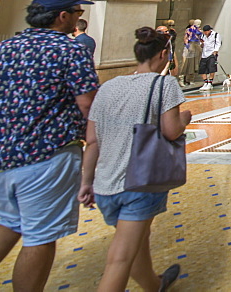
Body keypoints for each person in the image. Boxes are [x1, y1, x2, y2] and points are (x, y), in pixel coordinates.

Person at [0, 0, 99, 291]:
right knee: (40, 237)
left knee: (8, 222)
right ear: (63, 16)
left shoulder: (5, 47)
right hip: (48, 155)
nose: (80, 18)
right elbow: (88, 105)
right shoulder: (69, 51)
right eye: (78, 13)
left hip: (5, 153)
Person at [78, 27, 189, 292]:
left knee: (136, 241)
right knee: (119, 258)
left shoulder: (107, 87)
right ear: (163, 54)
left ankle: (154, 285)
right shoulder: (164, 84)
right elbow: (171, 130)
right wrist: (185, 119)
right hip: (139, 183)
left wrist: (86, 182)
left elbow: (92, 140)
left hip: (105, 184)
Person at [198, 24, 221, 91]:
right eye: (204, 32)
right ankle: (205, 82)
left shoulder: (216, 35)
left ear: (209, 30)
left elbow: (218, 43)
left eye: (206, 32)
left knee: (212, 68)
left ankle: (210, 83)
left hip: (211, 53)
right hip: (204, 54)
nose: (205, 33)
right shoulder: (202, 36)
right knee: (202, 69)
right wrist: (201, 43)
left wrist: (216, 51)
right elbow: (201, 45)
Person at [181, 19, 202, 86]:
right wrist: (187, 45)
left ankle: (190, 79)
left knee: (193, 64)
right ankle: (181, 78)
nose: (198, 25)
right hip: (189, 47)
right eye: (197, 23)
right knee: (185, 63)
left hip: (195, 47)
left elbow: (200, 38)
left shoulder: (199, 30)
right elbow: (186, 38)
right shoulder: (189, 29)